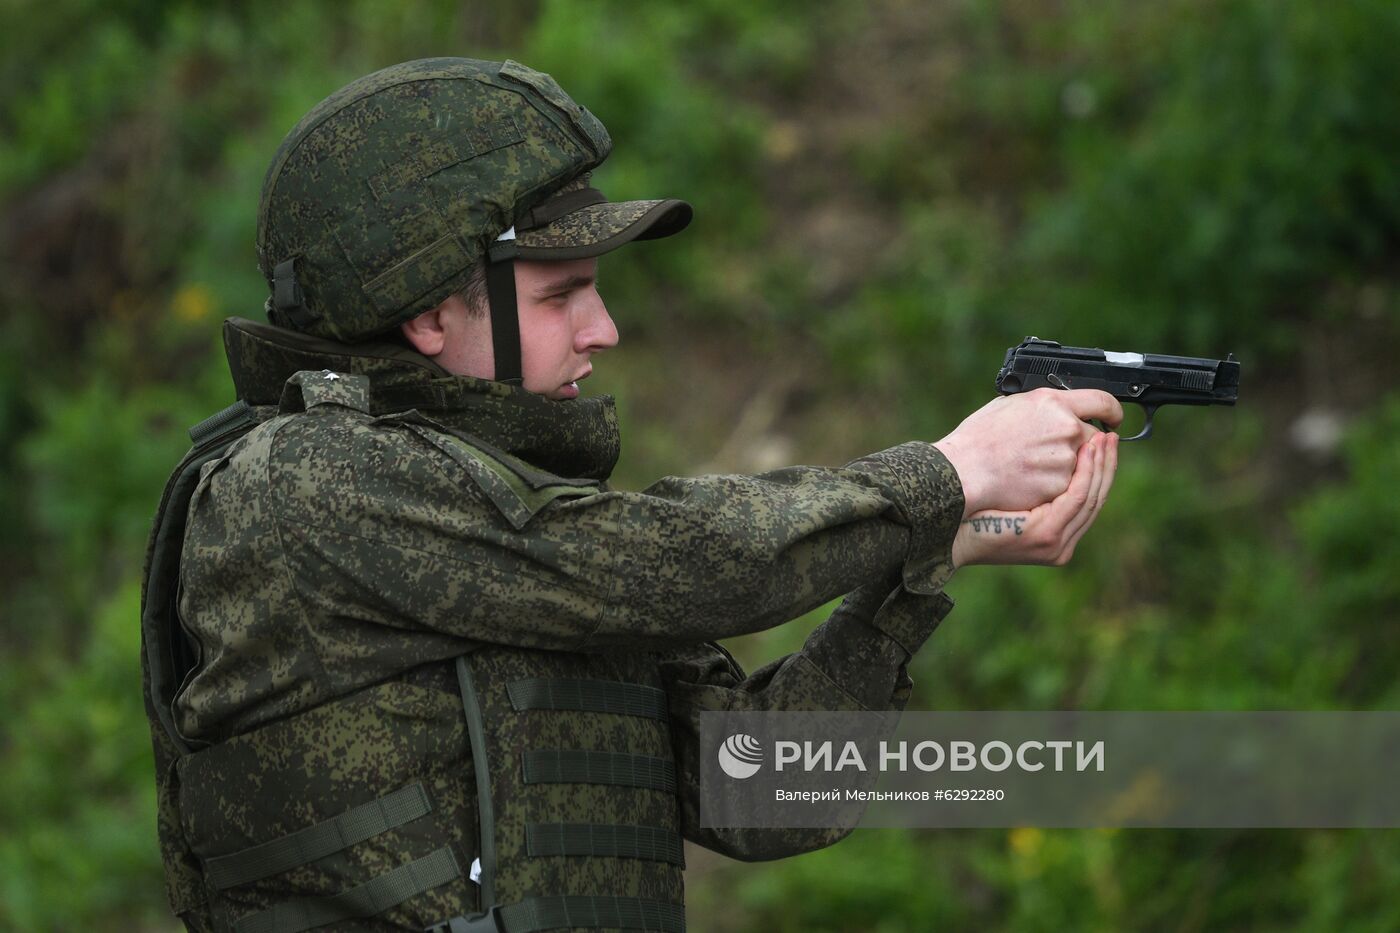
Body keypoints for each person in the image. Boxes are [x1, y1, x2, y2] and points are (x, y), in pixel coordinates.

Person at [140, 57, 1121, 932]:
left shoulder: (506, 520)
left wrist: (916, 567)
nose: (603, 329)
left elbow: (761, 795)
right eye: (560, 295)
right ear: (433, 314)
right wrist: (944, 476)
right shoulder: (304, 484)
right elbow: (687, 563)